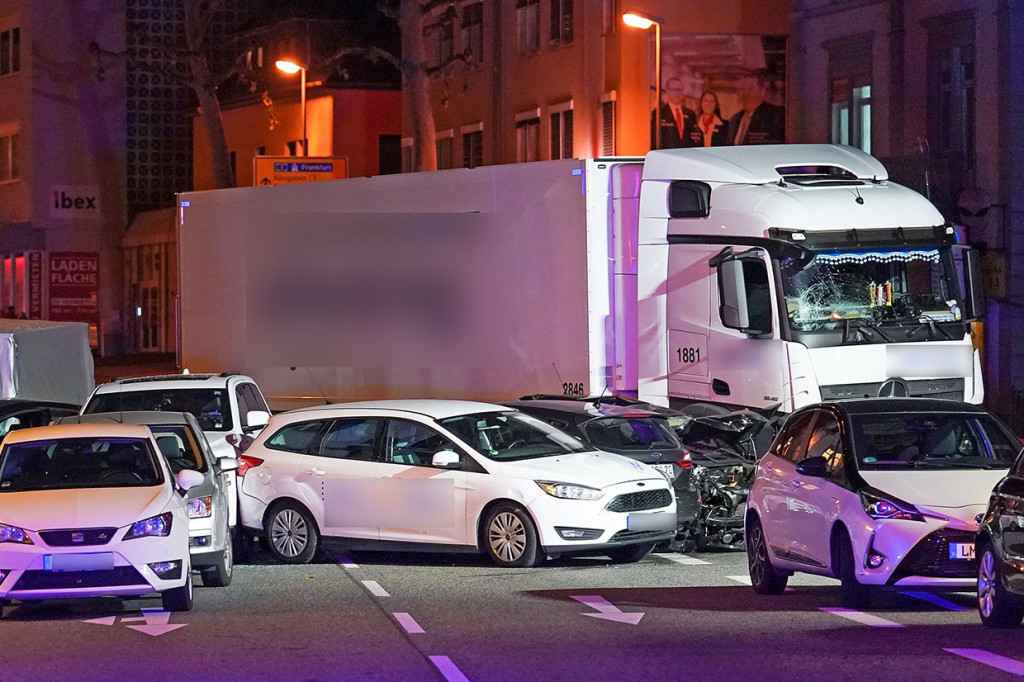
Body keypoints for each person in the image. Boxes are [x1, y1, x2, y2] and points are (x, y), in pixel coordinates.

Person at [727, 69, 785, 146]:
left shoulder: (775, 115)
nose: (745, 93)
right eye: (742, 89)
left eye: (750, 89)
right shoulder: (734, 120)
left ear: (762, 91)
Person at [650, 77, 696, 149]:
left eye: (680, 90)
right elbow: (654, 141)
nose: (677, 93)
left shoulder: (691, 114)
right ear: (667, 91)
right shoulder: (658, 114)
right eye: (674, 90)